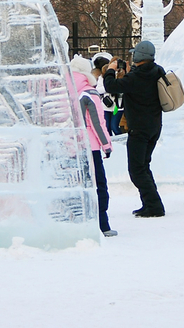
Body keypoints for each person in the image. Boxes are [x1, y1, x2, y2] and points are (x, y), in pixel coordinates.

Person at [103, 40, 166, 218]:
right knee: (144, 166)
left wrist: (110, 70)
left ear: (137, 56)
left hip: (138, 128)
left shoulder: (135, 77)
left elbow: (111, 86)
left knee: (136, 170)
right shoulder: (157, 71)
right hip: (154, 126)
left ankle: (154, 206)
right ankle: (149, 204)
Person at [70, 55, 116, 237]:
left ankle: (76, 223)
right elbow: (98, 123)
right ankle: (102, 225)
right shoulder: (89, 93)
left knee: (76, 186)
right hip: (91, 148)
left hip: (70, 147)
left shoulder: (65, 90)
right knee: (98, 185)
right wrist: (107, 145)